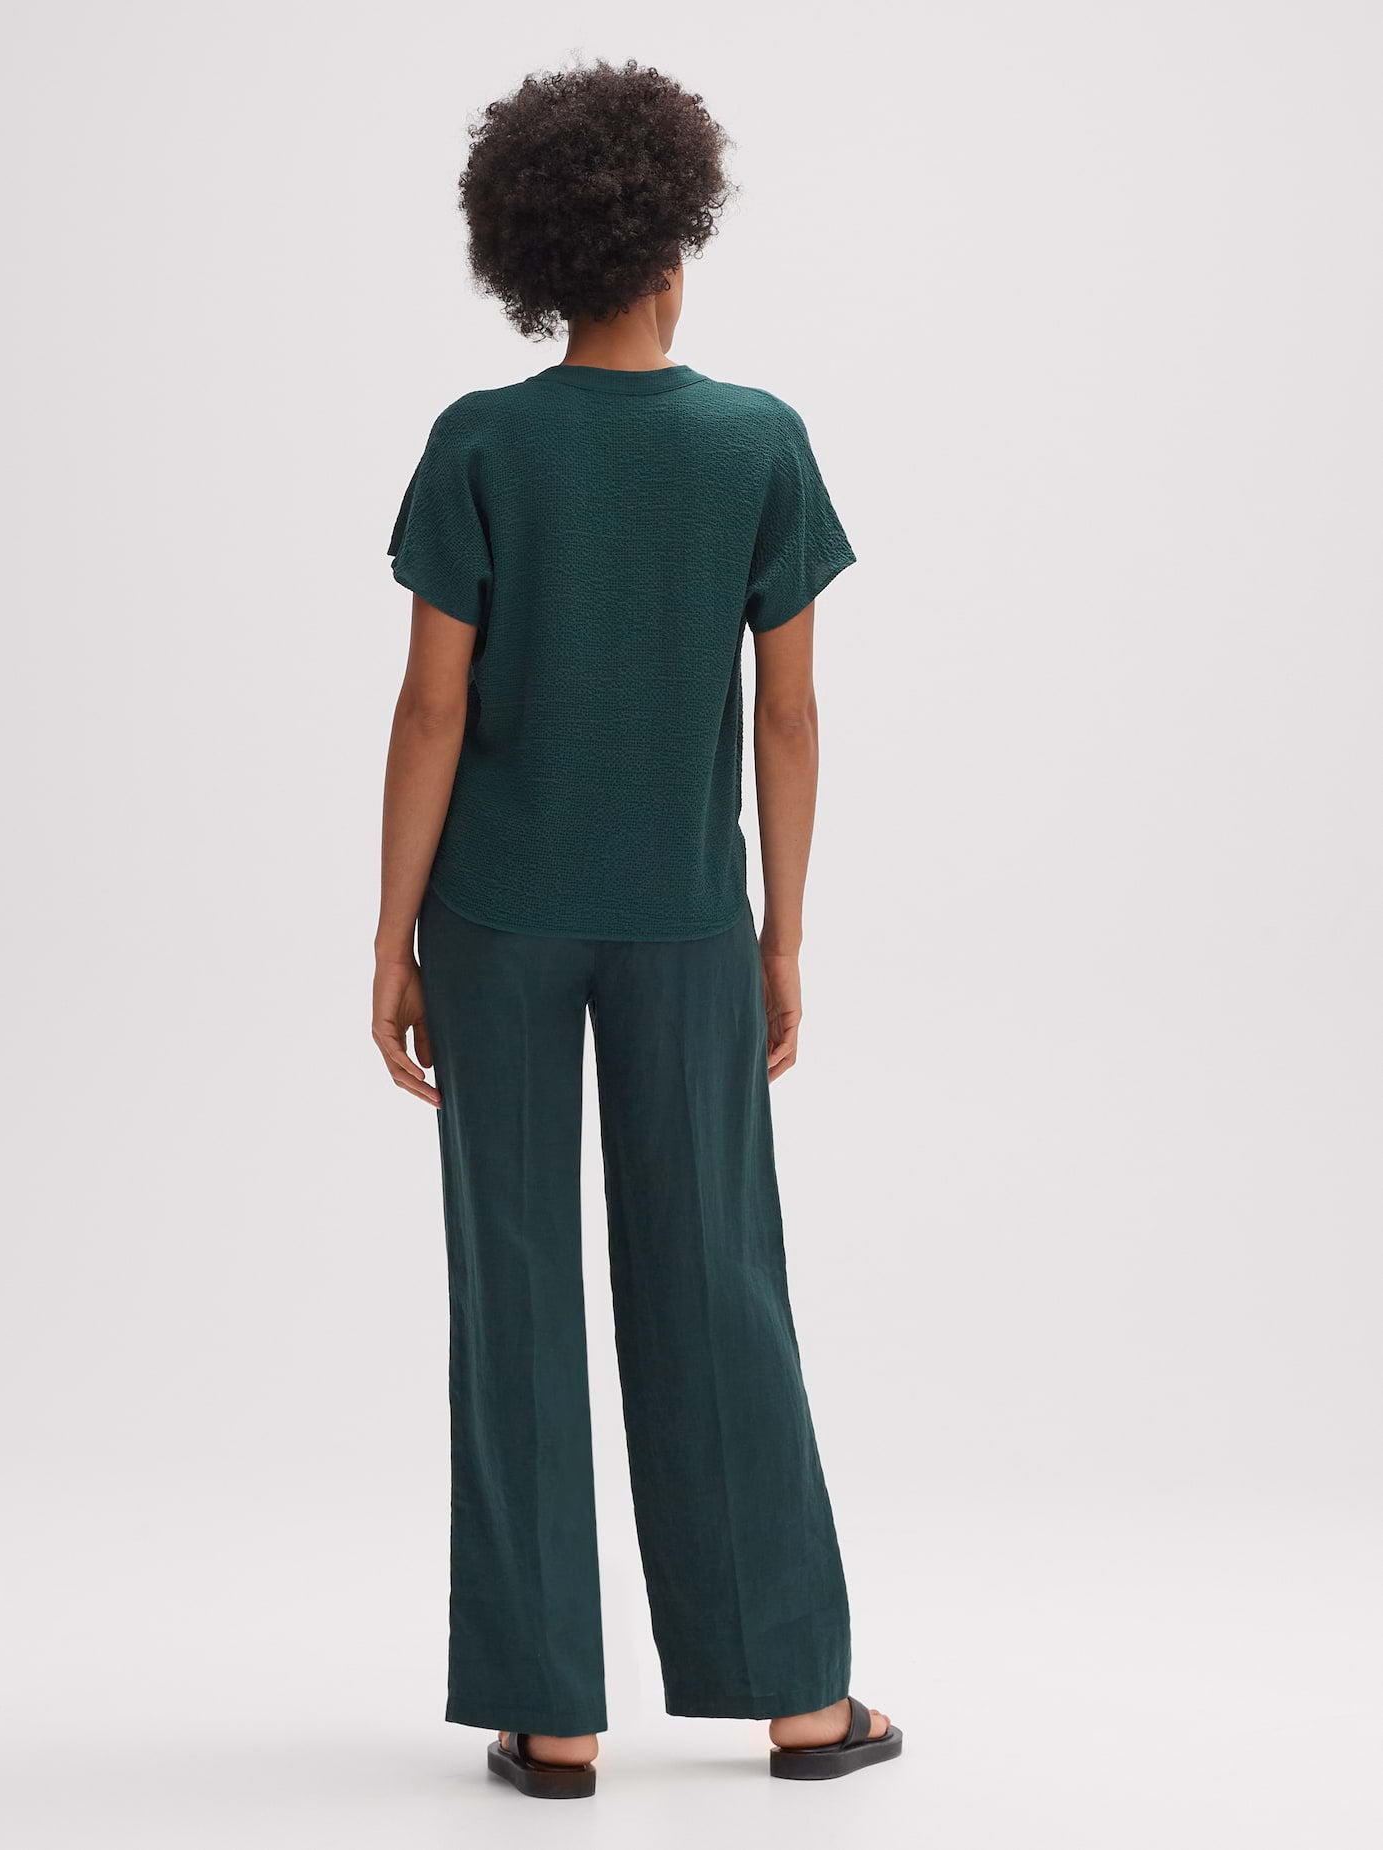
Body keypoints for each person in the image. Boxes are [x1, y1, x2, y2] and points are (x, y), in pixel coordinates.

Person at [372, 58, 900, 1798]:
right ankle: (799, 1700)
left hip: (495, 923)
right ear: (675, 244)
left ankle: (553, 1715)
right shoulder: (756, 440)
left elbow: (432, 709)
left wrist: (390, 935)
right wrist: (782, 936)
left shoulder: (480, 441)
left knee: (514, 1288)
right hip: (684, 922)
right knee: (716, 1279)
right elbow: (789, 715)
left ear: (531, 258)